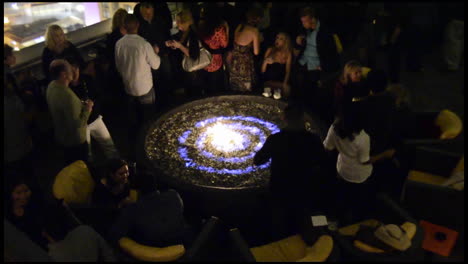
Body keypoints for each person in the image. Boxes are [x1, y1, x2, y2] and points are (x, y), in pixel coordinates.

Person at [254, 104, 328, 240]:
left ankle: (281, 243)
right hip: (304, 187)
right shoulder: (313, 140)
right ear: (303, 118)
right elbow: (322, 161)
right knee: (303, 218)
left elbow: (258, 160)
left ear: (284, 118)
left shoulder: (275, 139)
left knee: (280, 221)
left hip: (280, 187)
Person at [115, 13, 160, 159]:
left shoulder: (119, 44)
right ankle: (149, 149)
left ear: (124, 27)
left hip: (128, 88)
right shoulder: (144, 44)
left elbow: (118, 66)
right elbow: (156, 64)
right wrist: (155, 52)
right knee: (148, 120)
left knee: (133, 121)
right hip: (145, 88)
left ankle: (135, 150)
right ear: (138, 26)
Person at [109, 173, 194, 248]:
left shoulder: (132, 209)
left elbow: (114, 234)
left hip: (154, 248)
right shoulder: (173, 195)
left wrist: (120, 206)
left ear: (138, 191)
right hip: (182, 243)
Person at [323, 103, 375, 223]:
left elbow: (328, 147)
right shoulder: (363, 138)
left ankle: (339, 220)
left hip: (342, 169)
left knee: (342, 196)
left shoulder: (334, 128)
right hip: (359, 175)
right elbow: (364, 160)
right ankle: (354, 221)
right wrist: (383, 155)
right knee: (357, 200)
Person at [67, 57, 119, 161]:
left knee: (109, 145)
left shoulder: (86, 80)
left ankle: (116, 166)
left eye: (75, 70)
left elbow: (98, 94)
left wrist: (92, 103)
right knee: (88, 153)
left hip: (95, 118)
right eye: (71, 71)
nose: (74, 73)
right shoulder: (67, 89)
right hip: (82, 124)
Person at [46, 59, 93, 165]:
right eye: (70, 69)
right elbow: (77, 124)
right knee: (81, 168)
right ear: (64, 74)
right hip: (75, 142)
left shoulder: (51, 87)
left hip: (62, 138)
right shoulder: (67, 96)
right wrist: (87, 109)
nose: (73, 70)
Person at [293, 7, 340, 104]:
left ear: (313, 19)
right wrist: (298, 43)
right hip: (303, 61)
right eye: (302, 22)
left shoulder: (324, 33)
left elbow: (332, 54)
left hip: (315, 66)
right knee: (297, 84)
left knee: (311, 91)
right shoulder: (304, 30)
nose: (303, 24)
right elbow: (298, 47)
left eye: (305, 21)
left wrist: (324, 66)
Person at [4, 45, 34, 180]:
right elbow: (14, 95)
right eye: (11, 55)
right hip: (17, 142)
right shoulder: (7, 75)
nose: (14, 57)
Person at [166, 9, 205, 98]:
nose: (176, 23)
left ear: (186, 22)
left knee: (194, 96)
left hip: (194, 74)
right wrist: (174, 45)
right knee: (189, 93)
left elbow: (194, 55)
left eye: (178, 21)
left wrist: (179, 46)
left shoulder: (193, 35)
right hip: (187, 73)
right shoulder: (183, 32)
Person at [228, 6, 263, 93]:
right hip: (245, 64)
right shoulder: (254, 31)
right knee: (245, 90)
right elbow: (256, 52)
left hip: (235, 62)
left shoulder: (240, 26)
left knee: (235, 88)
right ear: (258, 18)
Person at [198, 4, 229, 95]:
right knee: (215, 86)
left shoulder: (200, 25)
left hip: (203, 59)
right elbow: (224, 44)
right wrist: (226, 28)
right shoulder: (218, 29)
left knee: (206, 83)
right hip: (215, 60)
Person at [261, 32, 293, 99]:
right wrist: (265, 62)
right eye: (277, 38)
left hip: (279, 81)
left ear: (285, 42)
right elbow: (262, 71)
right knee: (267, 93)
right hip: (268, 81)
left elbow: (288, 71)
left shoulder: (288, 54)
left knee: (284, 91)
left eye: (281, 39)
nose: (277, 40)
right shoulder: (270, 50)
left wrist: (284, 84)